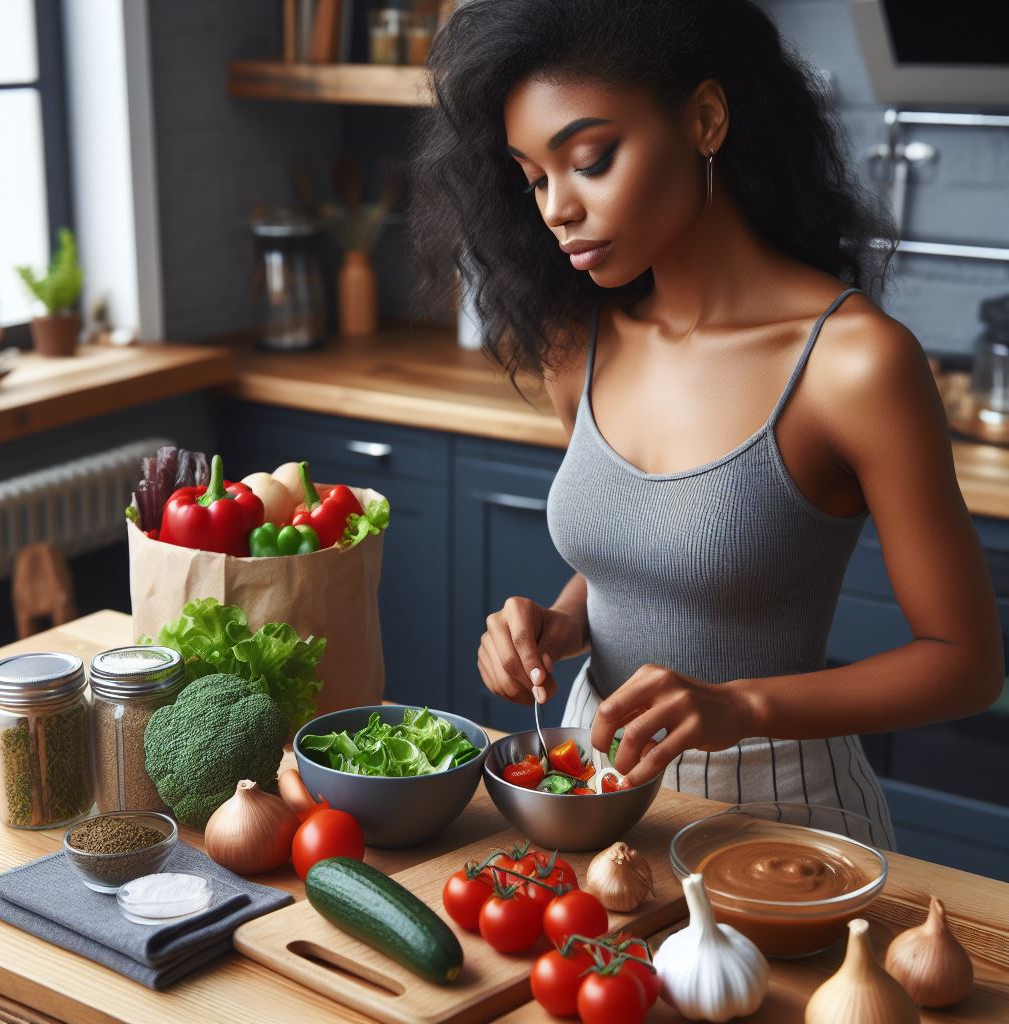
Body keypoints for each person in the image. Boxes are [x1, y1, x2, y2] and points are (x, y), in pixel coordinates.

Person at [408, 0, 1004, 848]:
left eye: (591, 159)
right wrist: (561, 623)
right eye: (534, 177)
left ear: (705, 119)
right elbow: (655, 549)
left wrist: (741, 705)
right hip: (591, 786)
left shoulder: (851, 364)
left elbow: (966, 662)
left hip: (779, 809)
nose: (557, 209)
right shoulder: (577, 341)